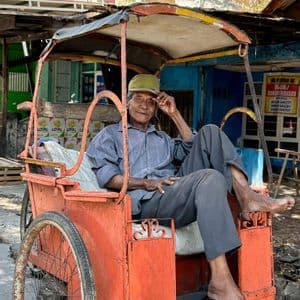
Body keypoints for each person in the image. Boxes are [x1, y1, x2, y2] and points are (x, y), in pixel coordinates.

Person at [87, 74, 295, 300]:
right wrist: (146, 183)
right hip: (146, 199)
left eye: (150, 101)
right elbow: (107, 176)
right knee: (210, 178)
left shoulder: (163, 138)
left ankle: (246, 196)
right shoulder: (110, 136)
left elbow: (193, 148)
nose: (144, 106)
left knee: (211, 132)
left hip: (174, 191)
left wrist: (174, 114)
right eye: (138, 99)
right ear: (127, 102)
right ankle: (221, 279)